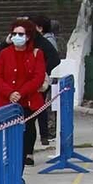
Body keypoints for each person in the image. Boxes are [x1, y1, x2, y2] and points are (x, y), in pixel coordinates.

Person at [0, 18, 48, 167]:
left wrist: (20, 93)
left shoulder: (37, 54)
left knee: (26, 133)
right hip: (6, 101)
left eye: (21, 34)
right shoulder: (4, 53)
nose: (17, 36)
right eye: (14, 33)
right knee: (7, 136)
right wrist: (10, 93)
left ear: (28, 36)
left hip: (28, 102)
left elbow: (38, 77)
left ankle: (21, 165)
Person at [30, 15, 62, 146]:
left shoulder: (46, 41)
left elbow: (54, 58)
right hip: (36, 78)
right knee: (40, 107)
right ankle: (44, 134)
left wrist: (43, 71)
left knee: (41, 107)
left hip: (42, 80)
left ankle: (45, 133)